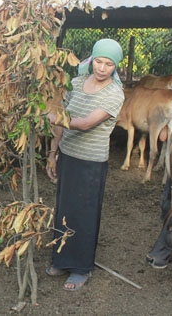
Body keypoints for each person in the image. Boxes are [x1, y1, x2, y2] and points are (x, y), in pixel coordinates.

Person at [45, 38, 125, 291]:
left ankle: (81, 268)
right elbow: (62, 123)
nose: (102, 68)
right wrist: (53, 153)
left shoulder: (114, 93)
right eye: (99, 61)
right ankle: (61, 259)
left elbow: (85, 123)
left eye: (109, 64)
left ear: (116, 67)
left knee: (84, 215)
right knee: (64, 210)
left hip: (91, 163)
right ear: (92, 60)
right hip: (68, 155)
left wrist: (43, 114)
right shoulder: (77, 84)